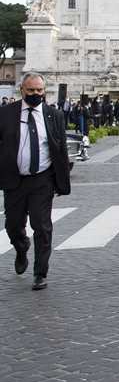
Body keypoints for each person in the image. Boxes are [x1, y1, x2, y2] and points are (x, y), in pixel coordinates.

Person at [0, 72, 72, 290]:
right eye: (31, 90)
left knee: (41, 225)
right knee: (13, 226)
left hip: (42, 179)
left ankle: (41, 273)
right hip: (15, 179)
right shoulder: (5, 114)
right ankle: (21, 248)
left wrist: (62, 181)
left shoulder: (54, 115)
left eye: (39, 91)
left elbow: (60, 148)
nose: (35, 94)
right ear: (22, 90)